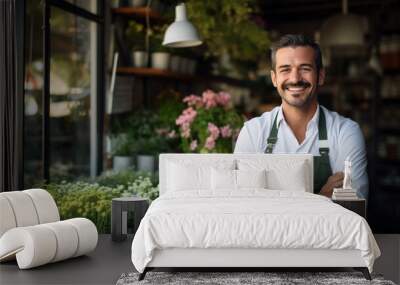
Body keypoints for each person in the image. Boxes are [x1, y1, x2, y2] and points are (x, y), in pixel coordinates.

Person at [234, 34, 368, 199]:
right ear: (274, 78)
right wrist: (322, 195)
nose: (295, 78)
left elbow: (353, 208)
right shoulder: (253, 132)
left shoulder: (345, 131)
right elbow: (242, 203)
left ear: (320, 76)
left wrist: (272, 200)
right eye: (285, 69)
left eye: (305, 68)